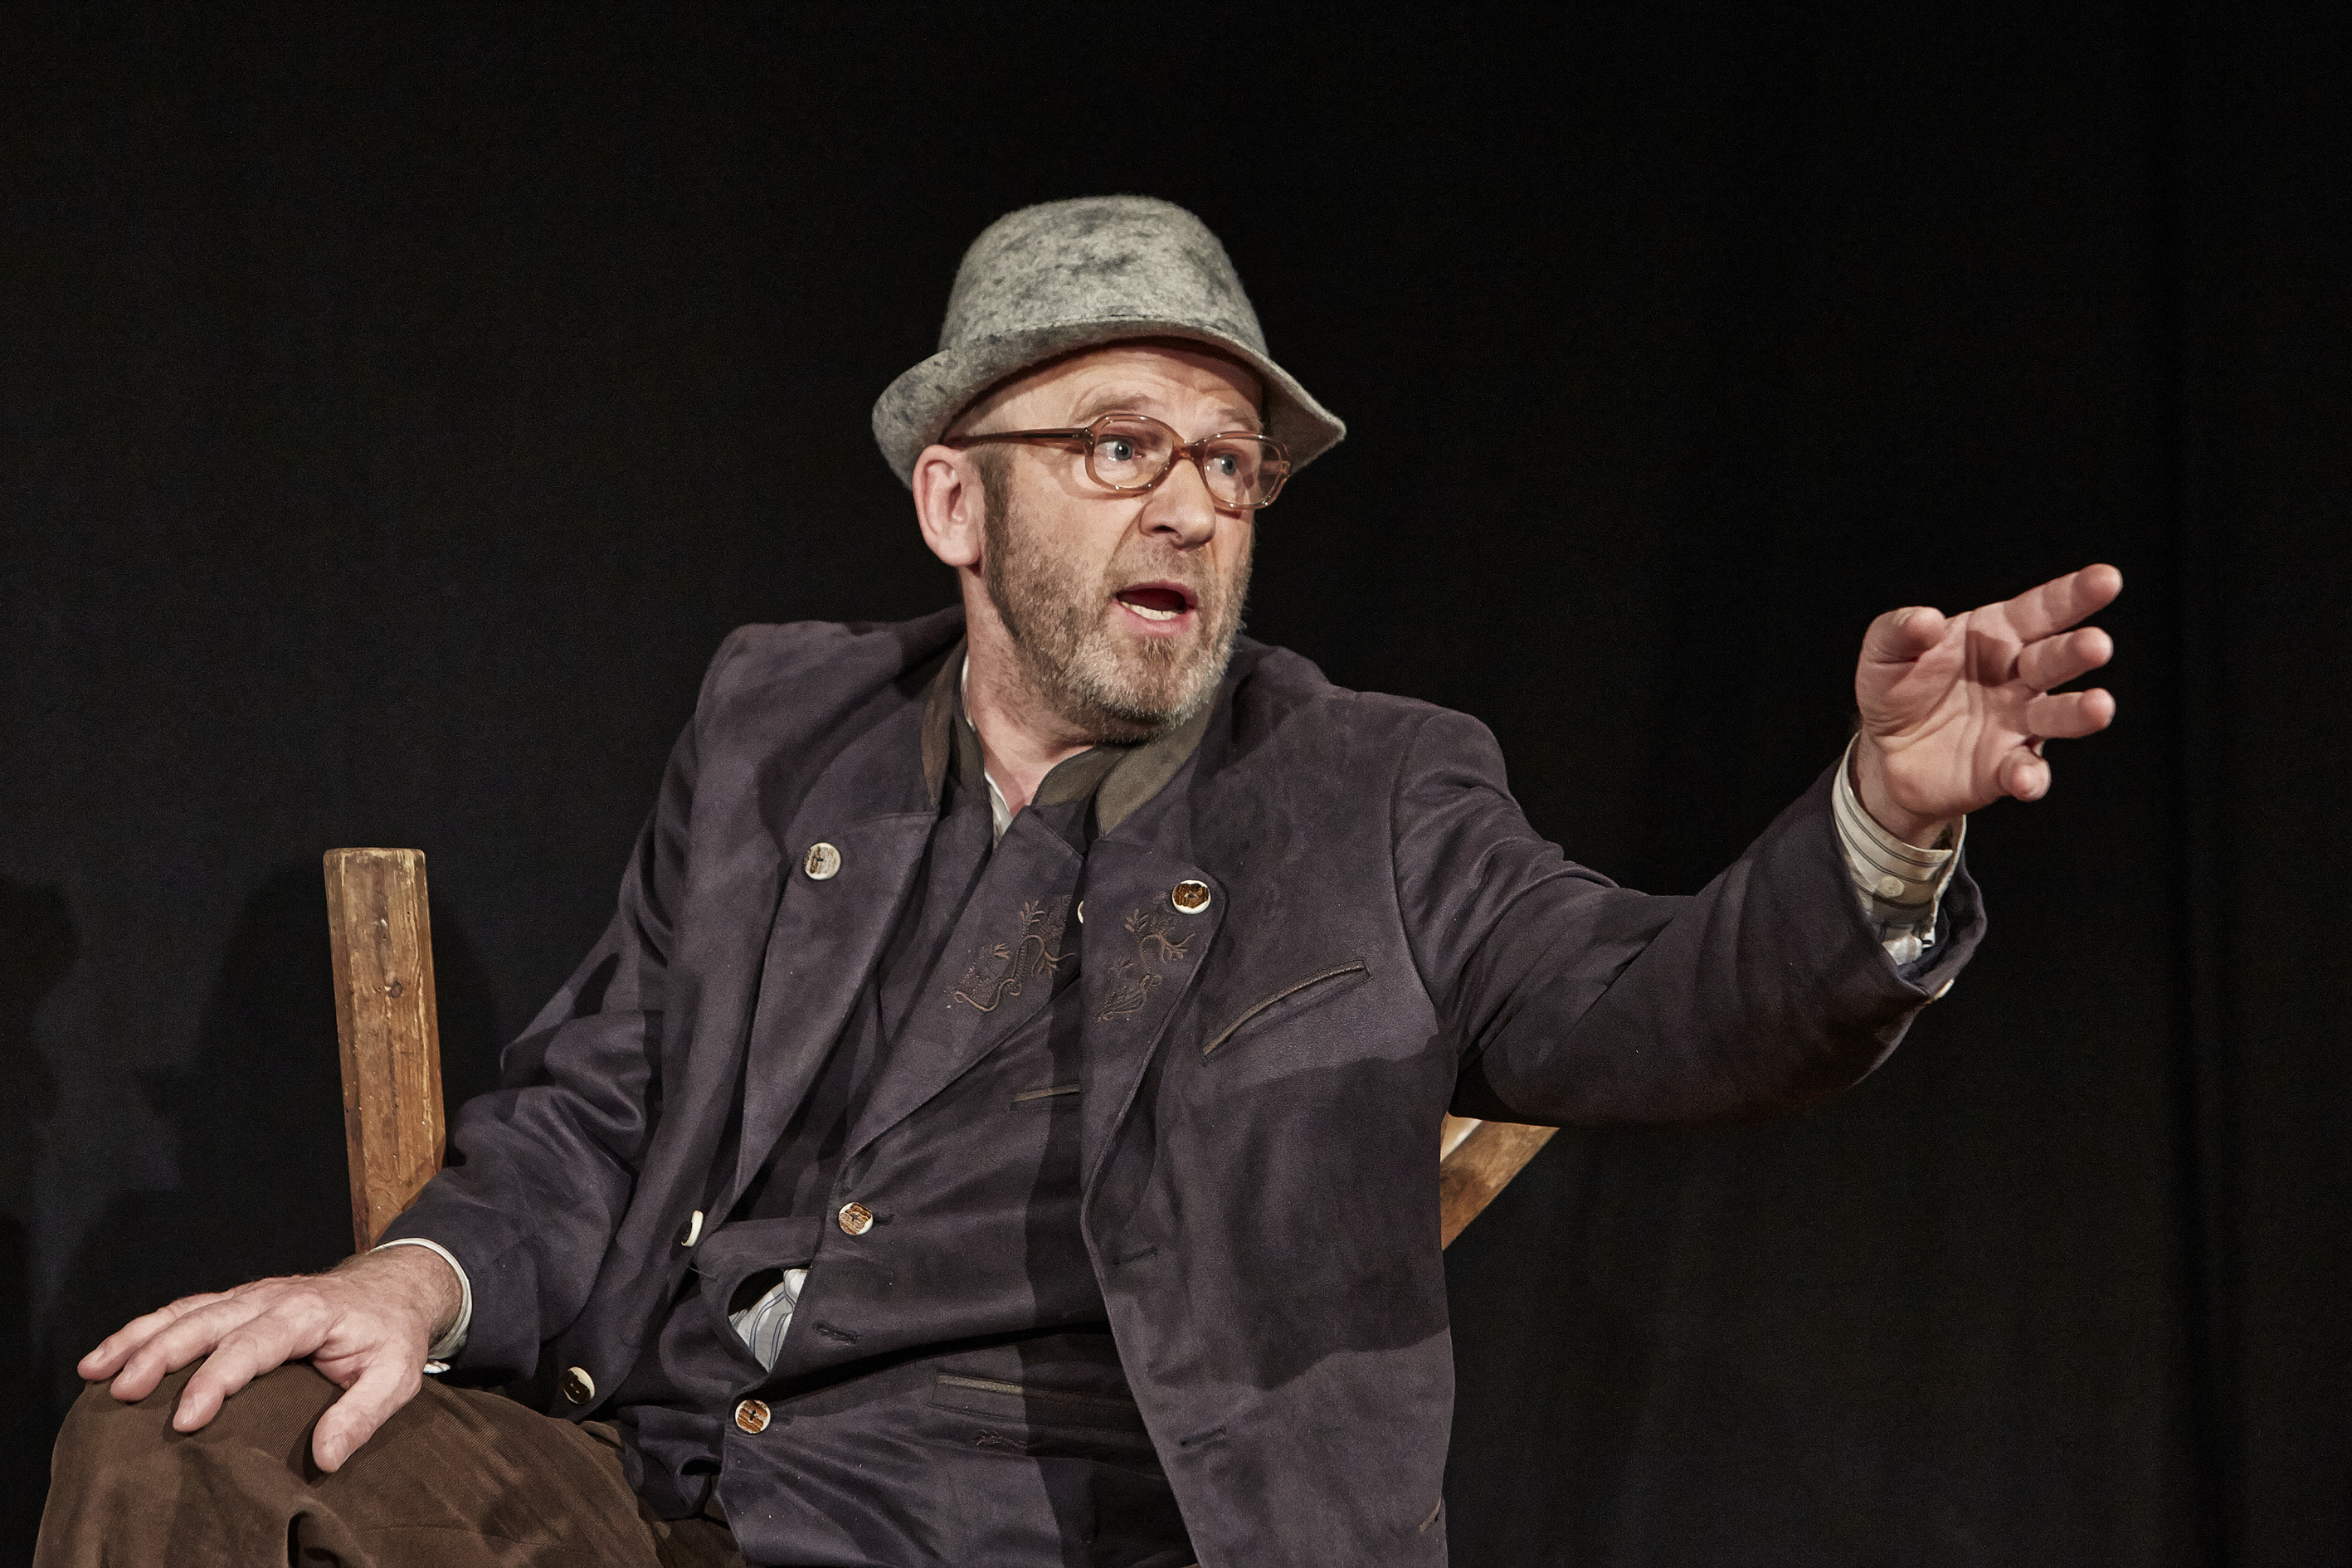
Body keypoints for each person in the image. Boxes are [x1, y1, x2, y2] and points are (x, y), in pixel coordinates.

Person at [38, 197, 2121, 1568]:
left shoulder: (1368, 787)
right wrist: (409, 1283)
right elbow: (602, 1095)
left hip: (1051, 1522)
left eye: (1229, 465)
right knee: (171, 1443)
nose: (1192, 508)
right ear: (957, 502)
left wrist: (1879, 820)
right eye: (1120, 447)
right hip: (664, 1472)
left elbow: (1662, 1007)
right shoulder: (778, 721)